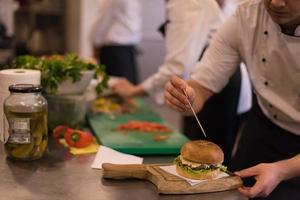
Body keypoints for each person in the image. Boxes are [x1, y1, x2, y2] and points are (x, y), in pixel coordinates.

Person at [164, 0, 300, 199]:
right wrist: (187, 98)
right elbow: (202, 85)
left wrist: (283, 169)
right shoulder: (246, 16)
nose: (276, 3)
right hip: (263, 129)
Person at [112, 0, 251, 166]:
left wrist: (134, 90)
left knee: (204, 163)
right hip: (219, 84)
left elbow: (178, 68)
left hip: (213, 89)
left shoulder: (185, 2)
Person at [90, 0, 142, 84]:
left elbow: (101, 21)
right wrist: (95, 42)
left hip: (117, 50)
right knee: (120, 87)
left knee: (123, 88)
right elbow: (101, 22)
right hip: (116, 49)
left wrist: (95, 43)